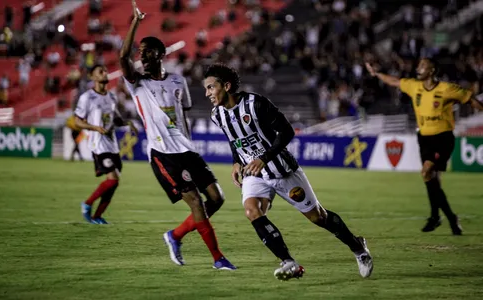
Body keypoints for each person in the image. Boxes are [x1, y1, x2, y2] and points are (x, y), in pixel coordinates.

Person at [203, 63, 373, 281]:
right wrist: (236, 161)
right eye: (206, 88)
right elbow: (233, 139)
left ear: (226, 86)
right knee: (252, 211)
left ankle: (358, 248)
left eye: (211, 87)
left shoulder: (256, 104)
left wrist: (263, 158)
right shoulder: (217, 115)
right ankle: (288, 262)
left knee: (318, 217)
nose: (207, 93)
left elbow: (286, 132)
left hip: (281, 169)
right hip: (254, 173)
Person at [119, 0, 236, 270]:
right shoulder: (138, 83)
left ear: (160, 54)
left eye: (147, 52)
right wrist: (135, 22)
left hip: (187, 150)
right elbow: (123, 58)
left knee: (216, 198)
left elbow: (182, 113)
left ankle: (175, 235)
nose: (142, 56)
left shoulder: (177, 81)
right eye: (140, 52)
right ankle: (218, 259)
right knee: (195, 201)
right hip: (163, 154)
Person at [365, 58, 483, 235]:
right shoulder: (414, 86)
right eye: (418, 66)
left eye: (422, 66)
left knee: (427, 172)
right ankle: (449, 218)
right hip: (424, 138)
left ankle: (437, 216)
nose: (418, 69)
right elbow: (394, 81)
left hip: (443, 138)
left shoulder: (446, 89)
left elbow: (471, 99)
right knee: (431, 178)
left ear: (432, 70)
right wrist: (377, 74)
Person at [74, 64, 137, 224]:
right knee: (113, 179)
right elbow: (77, 121)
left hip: (112, 144)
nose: (105, 73)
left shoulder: (112, 97)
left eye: (105, 70)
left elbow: (115, 118)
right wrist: (93, 127)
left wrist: (127, 123)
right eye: (100, 71)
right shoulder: (87, 97)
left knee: (114, 183)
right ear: (92, 77)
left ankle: (97, 216)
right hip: (98, 144)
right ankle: (87, 203)